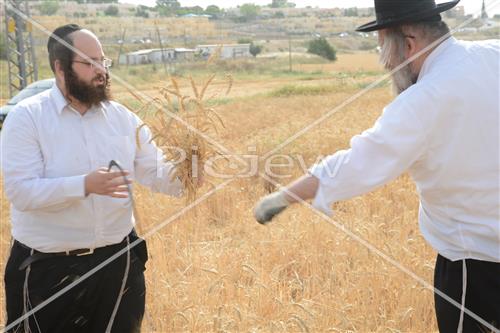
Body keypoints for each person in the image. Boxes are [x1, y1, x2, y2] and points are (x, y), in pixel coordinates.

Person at [254, 0, 499, 332]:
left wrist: (281, 198)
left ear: (408, 43)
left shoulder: (423, 100)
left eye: (385, 48)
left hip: (477, 268)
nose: (386, 64)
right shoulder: (492, 54)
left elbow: (357, 163)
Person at [1, 24, 188, 332]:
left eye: (103, 61)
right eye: (88, 63)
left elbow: (158, 174)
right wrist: (84, 185)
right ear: (60, 67)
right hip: (46, 271)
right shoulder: (27, 118)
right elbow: (21, 192)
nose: (100, 70)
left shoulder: (123, 118)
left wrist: (189, 174)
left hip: (117, 266)